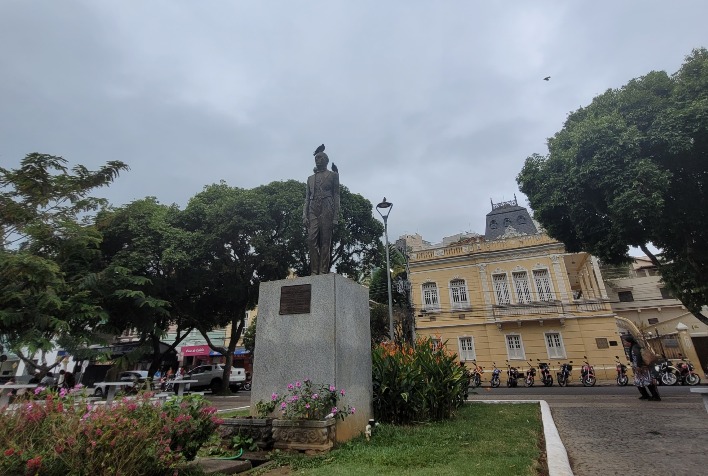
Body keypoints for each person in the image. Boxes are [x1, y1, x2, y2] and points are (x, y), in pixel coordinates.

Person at [303, 146, 340, 275]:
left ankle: (323, 270)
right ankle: (314, 271)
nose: (317, 160)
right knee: (311, 240)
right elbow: (307, 198)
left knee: (325, 241)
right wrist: (304, 215)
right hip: (313, 209)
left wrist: (336, 216)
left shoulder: (333, 175)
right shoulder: (310, 179)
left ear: (326, 160)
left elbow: (336, 195)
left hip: (327, 207)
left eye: (320, 158)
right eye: (316, 158)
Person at [623, 334, 661, 401]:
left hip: (642, 368)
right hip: (638, 368)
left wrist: (638, 366)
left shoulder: (635, 348)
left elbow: (638, 357)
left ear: (629, 342)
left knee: (647, 381)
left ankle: (655, 396)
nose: (625, 343)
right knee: (639, 382)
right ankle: (645, 395)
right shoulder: (633, 347)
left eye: (626, 342)